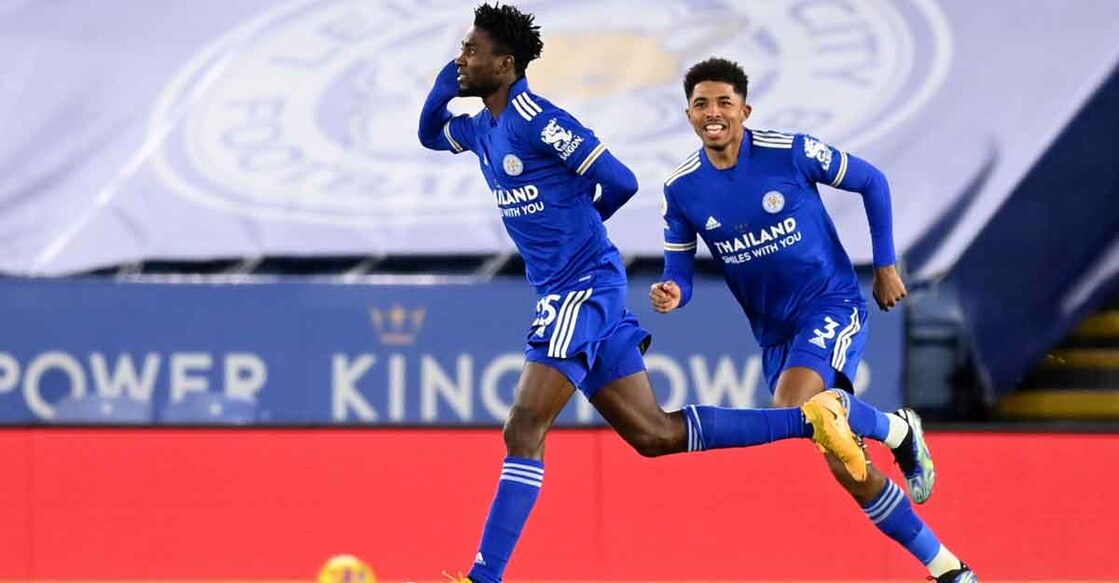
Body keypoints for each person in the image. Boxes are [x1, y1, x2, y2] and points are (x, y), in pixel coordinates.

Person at [419, 6, 870, 583]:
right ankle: (813, 419)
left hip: (579, 290)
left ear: (505, 65)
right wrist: (443, 82)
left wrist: (582, 228)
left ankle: (484, 578)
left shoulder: (538, 120)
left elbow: (621, 180)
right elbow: (430, 134)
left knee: (523, 428)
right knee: (652, 435)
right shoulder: (483, 127)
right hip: (574, 289)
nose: (463, 58)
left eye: (472, 51)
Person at [651, 57, 978, 583]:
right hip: (774, 332)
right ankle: (949, 567)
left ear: (745, 109)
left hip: (829, 302)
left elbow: (872, 181)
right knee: (844, 464)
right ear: (688, 115)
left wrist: (887, 266)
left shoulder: (791, 152)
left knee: (797, 406)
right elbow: (680, 270)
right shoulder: (681, 189)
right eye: (701, 105)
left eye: (723, 103)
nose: (713, 113)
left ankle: (897, 431)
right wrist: (673, 291)